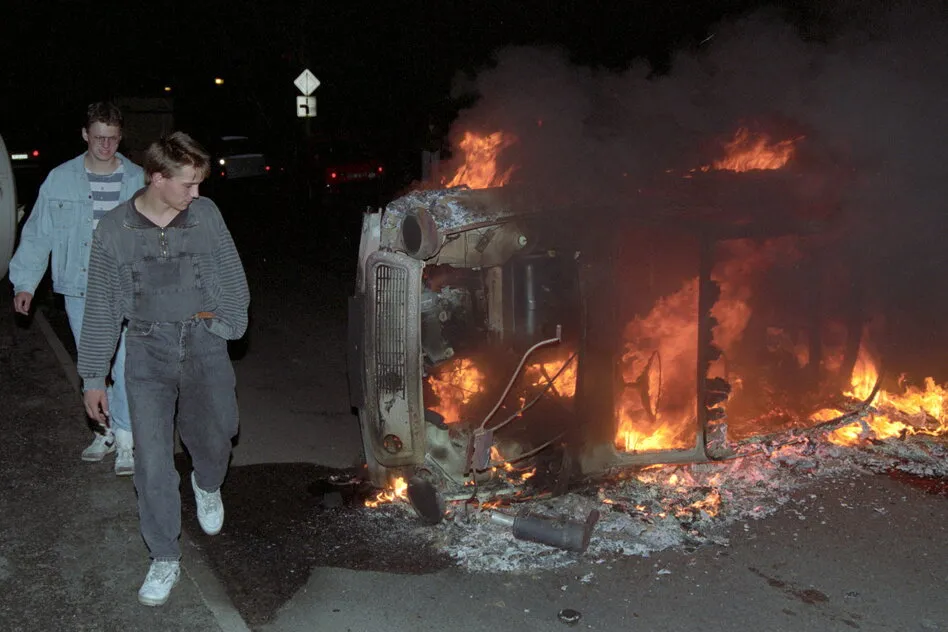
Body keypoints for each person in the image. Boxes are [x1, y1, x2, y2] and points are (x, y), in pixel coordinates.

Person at [77, 131, 249, 607]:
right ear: (156, 178)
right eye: (188, 184)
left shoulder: (206, 216)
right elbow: (101, 308)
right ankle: (164, 555)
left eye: (199, 184)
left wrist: (227, 326)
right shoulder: (115, 230)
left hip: (203, 342)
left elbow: (232, 273)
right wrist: (94, 377)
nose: (197, 194)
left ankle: (207, 483)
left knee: (220, 434)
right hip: (147, 351)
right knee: (152, 461)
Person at [9, 102, 144, 475]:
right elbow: (39, 233)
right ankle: (106, 431)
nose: (106, 146)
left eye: (113, 139)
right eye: (99, 138)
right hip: (80, 287)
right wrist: (25, 282)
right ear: (85, 134)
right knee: (94, 366)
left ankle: (127, 437)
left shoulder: (138, 179)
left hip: (126, 287)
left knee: (127, 362)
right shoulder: (60, 179)